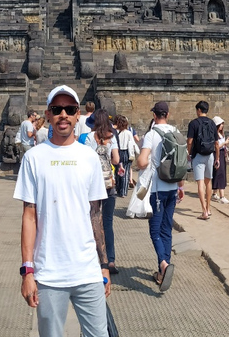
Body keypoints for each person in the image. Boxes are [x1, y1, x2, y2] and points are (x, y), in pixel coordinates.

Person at [14, 85, 111, 337]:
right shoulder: (34, 158)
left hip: (87, 269)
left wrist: (104, 265)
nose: (63, 115)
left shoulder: (88, 157)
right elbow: (29, 216)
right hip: (48, 273)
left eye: (69, 109)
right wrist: (28, 270)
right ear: (48, 114)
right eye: (57, 109)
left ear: (78, 114)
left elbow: (96, 215)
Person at [136, 101, 185, 292]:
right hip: (173, 186)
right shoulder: (175, 131)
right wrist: (181, 185)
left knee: (154, 230)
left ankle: (164, 264)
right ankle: (162, 270)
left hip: (157, 189)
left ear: (154, 115)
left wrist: (146, 159)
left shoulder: (151, 134)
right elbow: (181, 159)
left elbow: (141, 162)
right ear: (168, 114)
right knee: (167, 228)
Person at [84, 109, 121, 275]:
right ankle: (111, 261)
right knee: (108, 222)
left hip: (93, 185)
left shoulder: (88, 138)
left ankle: (98, 260)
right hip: (109, 184)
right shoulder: (111, 136)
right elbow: (116, 160)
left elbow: (85, 161)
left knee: (94, 221)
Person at [187, 100, 217, 220]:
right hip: (210, 154)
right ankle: (209, 208)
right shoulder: (212, 123)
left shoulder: (193, 123)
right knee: (208, 182)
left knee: (200, 183)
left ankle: (204, 211)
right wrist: (217, 158)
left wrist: (189, 153)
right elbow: (216, 143)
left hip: (198, 155)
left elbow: (189, 141)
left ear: (199, 110)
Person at [115, 115, 140, 193]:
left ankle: (118, 189)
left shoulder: (116, 132)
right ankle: (124, 191)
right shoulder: (128, 133)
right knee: (126, 172)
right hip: (126, 153)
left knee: (118, 171)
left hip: (118, 152)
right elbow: (133, 143)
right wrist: (138, 152)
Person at [212, 116, 229, 204]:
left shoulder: (221, 134)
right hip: (217, 154)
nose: (222, 126)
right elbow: (215, 147)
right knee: (220, 174)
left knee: (219, 173)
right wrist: (224, 143)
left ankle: (214, 193)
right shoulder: (214, 135)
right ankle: (222, 196)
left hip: (222, 153)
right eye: (220, 124)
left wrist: (226, 142)